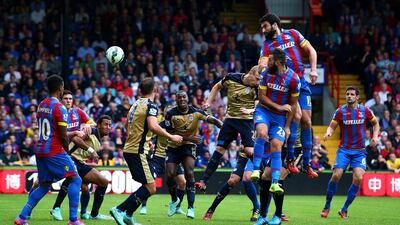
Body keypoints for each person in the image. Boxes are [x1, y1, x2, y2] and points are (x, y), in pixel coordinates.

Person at [110, 78, 183, 225]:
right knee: (151, 187)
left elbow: (126, 125)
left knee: (146, 185)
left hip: (130, 148)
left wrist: (142, 137)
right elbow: (153, 126)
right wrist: (171, 136)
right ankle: (119, 209)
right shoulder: (151, 106)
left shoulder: (135, 104)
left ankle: (128, 216)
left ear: (140, 91)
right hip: (138, 151)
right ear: (155, 90)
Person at [14, 75, 84, 225]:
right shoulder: (60, 108)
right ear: (60, 88)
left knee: (44, 185)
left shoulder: (41, 104)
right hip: (54, 150)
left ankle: (22, 217)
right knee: (75, 179)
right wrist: (67, 151)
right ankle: (73, 219)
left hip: (40, 149)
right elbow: (63, 135)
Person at [256, 13, 318, 178]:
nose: (263, 30)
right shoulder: (267, 45)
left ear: (275, 24)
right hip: (284, 86)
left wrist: (312, 69)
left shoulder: (293, 33)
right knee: (296, 114)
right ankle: (290, 158)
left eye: (265, 26)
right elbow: (261, 65)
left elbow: (311, 50)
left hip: (301, 82)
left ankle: (306, 163)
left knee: (307, 121)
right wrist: (262, 68)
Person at [197, 66, 261, 221]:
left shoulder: (259, 87)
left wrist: (251, 112)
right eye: (258, 78)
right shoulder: (231, 78)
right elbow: (217, 86)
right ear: (250, 75)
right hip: (230, 120)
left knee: (250, 153)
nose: (259, 82)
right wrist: (208, 102)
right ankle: (204, 182)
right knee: (220, 150)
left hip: (246, 124)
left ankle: (262, 200)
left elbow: (260, 106)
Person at [252, 48, 300, 224]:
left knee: (276, 173)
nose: (267, 62)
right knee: (262, 133)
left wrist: (287, 127)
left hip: (284, 130)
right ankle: (265, 215)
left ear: (279, 62)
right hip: (265, 113)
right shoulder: (266, 74)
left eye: (270, 60)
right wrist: (280, 109)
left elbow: (294, 107)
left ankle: (277, 215)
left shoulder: (294, 79)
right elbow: (262, 97)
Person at [321, 86, 380, 219]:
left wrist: (375, 136)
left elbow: (375, 124)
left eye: (352, 94)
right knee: (336, 175)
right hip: (344, 150)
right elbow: (332, 126)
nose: (349, 96)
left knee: (358, 177)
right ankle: (327, 205)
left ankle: (344, 209)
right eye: (347, 94)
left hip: (359, 152)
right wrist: (328, 132)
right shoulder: (340, 111)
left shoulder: (365, 111)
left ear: (357, 97)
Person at [164, 91, 223, 219]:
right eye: (179, 98)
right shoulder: (170, 114)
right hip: (173, 147)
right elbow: (171, 133)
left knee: (189, 173)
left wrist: (222, 125)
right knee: (169, 175)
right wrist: (190, 138)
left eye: (184, 97)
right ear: (176, 100)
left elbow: (210, 119)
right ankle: (174, 200)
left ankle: (191, 207)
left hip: (188, 147)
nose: (182, 99)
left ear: (188, 98)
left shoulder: (196, 112)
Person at [50, 115, 112, 221]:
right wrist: (91, 151)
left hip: (80, 163)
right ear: (99, 125)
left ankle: (87, 213)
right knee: (101, 182)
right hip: (71, 159)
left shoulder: (98, 136)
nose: (108, 127)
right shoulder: (91, 131)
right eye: (105, 124)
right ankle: (56, 208)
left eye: (110, 125)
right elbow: (75, 138)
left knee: (89, 186)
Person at [139, 107, 187, 216]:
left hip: (172, 158)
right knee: (149, 182)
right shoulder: (159, 125)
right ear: (164, 113)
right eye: (166, 112)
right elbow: (149, 135)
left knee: (183, 182)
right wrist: (149, 143)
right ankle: (143, 206)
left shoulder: (179, 126)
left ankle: (176, 206)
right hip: (158, 157)